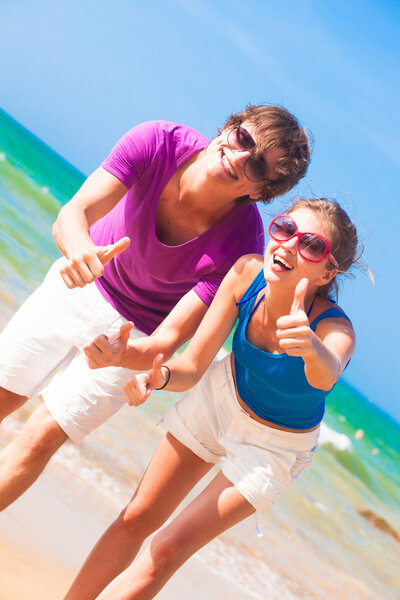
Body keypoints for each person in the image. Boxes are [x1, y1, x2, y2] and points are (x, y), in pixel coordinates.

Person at [0, 105, 310, 510]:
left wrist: (122, 354)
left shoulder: (242, 248)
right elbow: (72, 215)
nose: (238, 157)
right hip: (79, 284)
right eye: (243, 138)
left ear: (259, 192)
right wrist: (81, 255)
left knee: (42, 436)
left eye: (255, 166)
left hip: (132, 335)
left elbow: (169, 339)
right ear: (228, 128)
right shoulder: (157, 142)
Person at [63, 197, 359, 600]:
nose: (289, 245)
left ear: (327, 272)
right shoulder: (244, 274)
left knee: (167, 549)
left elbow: (327, 374)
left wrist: (309, 345)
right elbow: (193, 364)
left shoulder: (334, 329)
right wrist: (157, 377)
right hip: (222, 396)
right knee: (135, 517)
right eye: (286, 228)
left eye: (311, 245)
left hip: (273, 445)